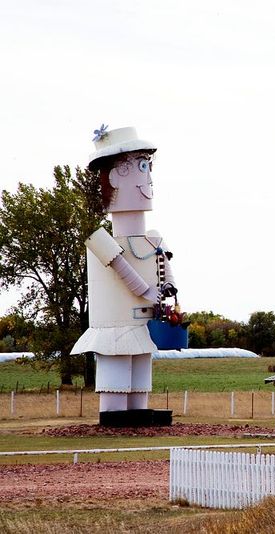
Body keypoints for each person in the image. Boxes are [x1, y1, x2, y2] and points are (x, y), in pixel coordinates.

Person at [71, 125, 180, 426]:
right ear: (116, 176)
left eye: (148, 166)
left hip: (145, 322)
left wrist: (167, 286)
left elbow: (163, 264)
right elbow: (123, 270)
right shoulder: (100, 240)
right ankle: (115, 414)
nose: (148, 179)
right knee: (116, 368)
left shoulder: (154, 237)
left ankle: (138, 413)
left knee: (141, 370)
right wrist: (147, 291)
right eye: (142, 166)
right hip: (115, 323)